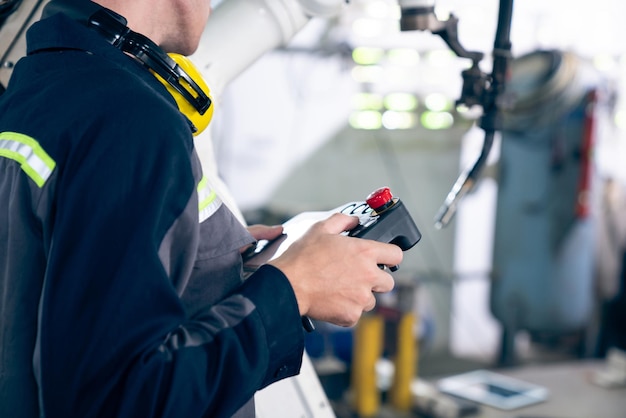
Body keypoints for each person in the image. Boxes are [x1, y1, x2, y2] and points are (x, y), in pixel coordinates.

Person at [0, 0, 403, 417]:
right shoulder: (129, 121)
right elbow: (118, 400)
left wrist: (221, 260)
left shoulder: (36, 88)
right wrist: (293, 289)